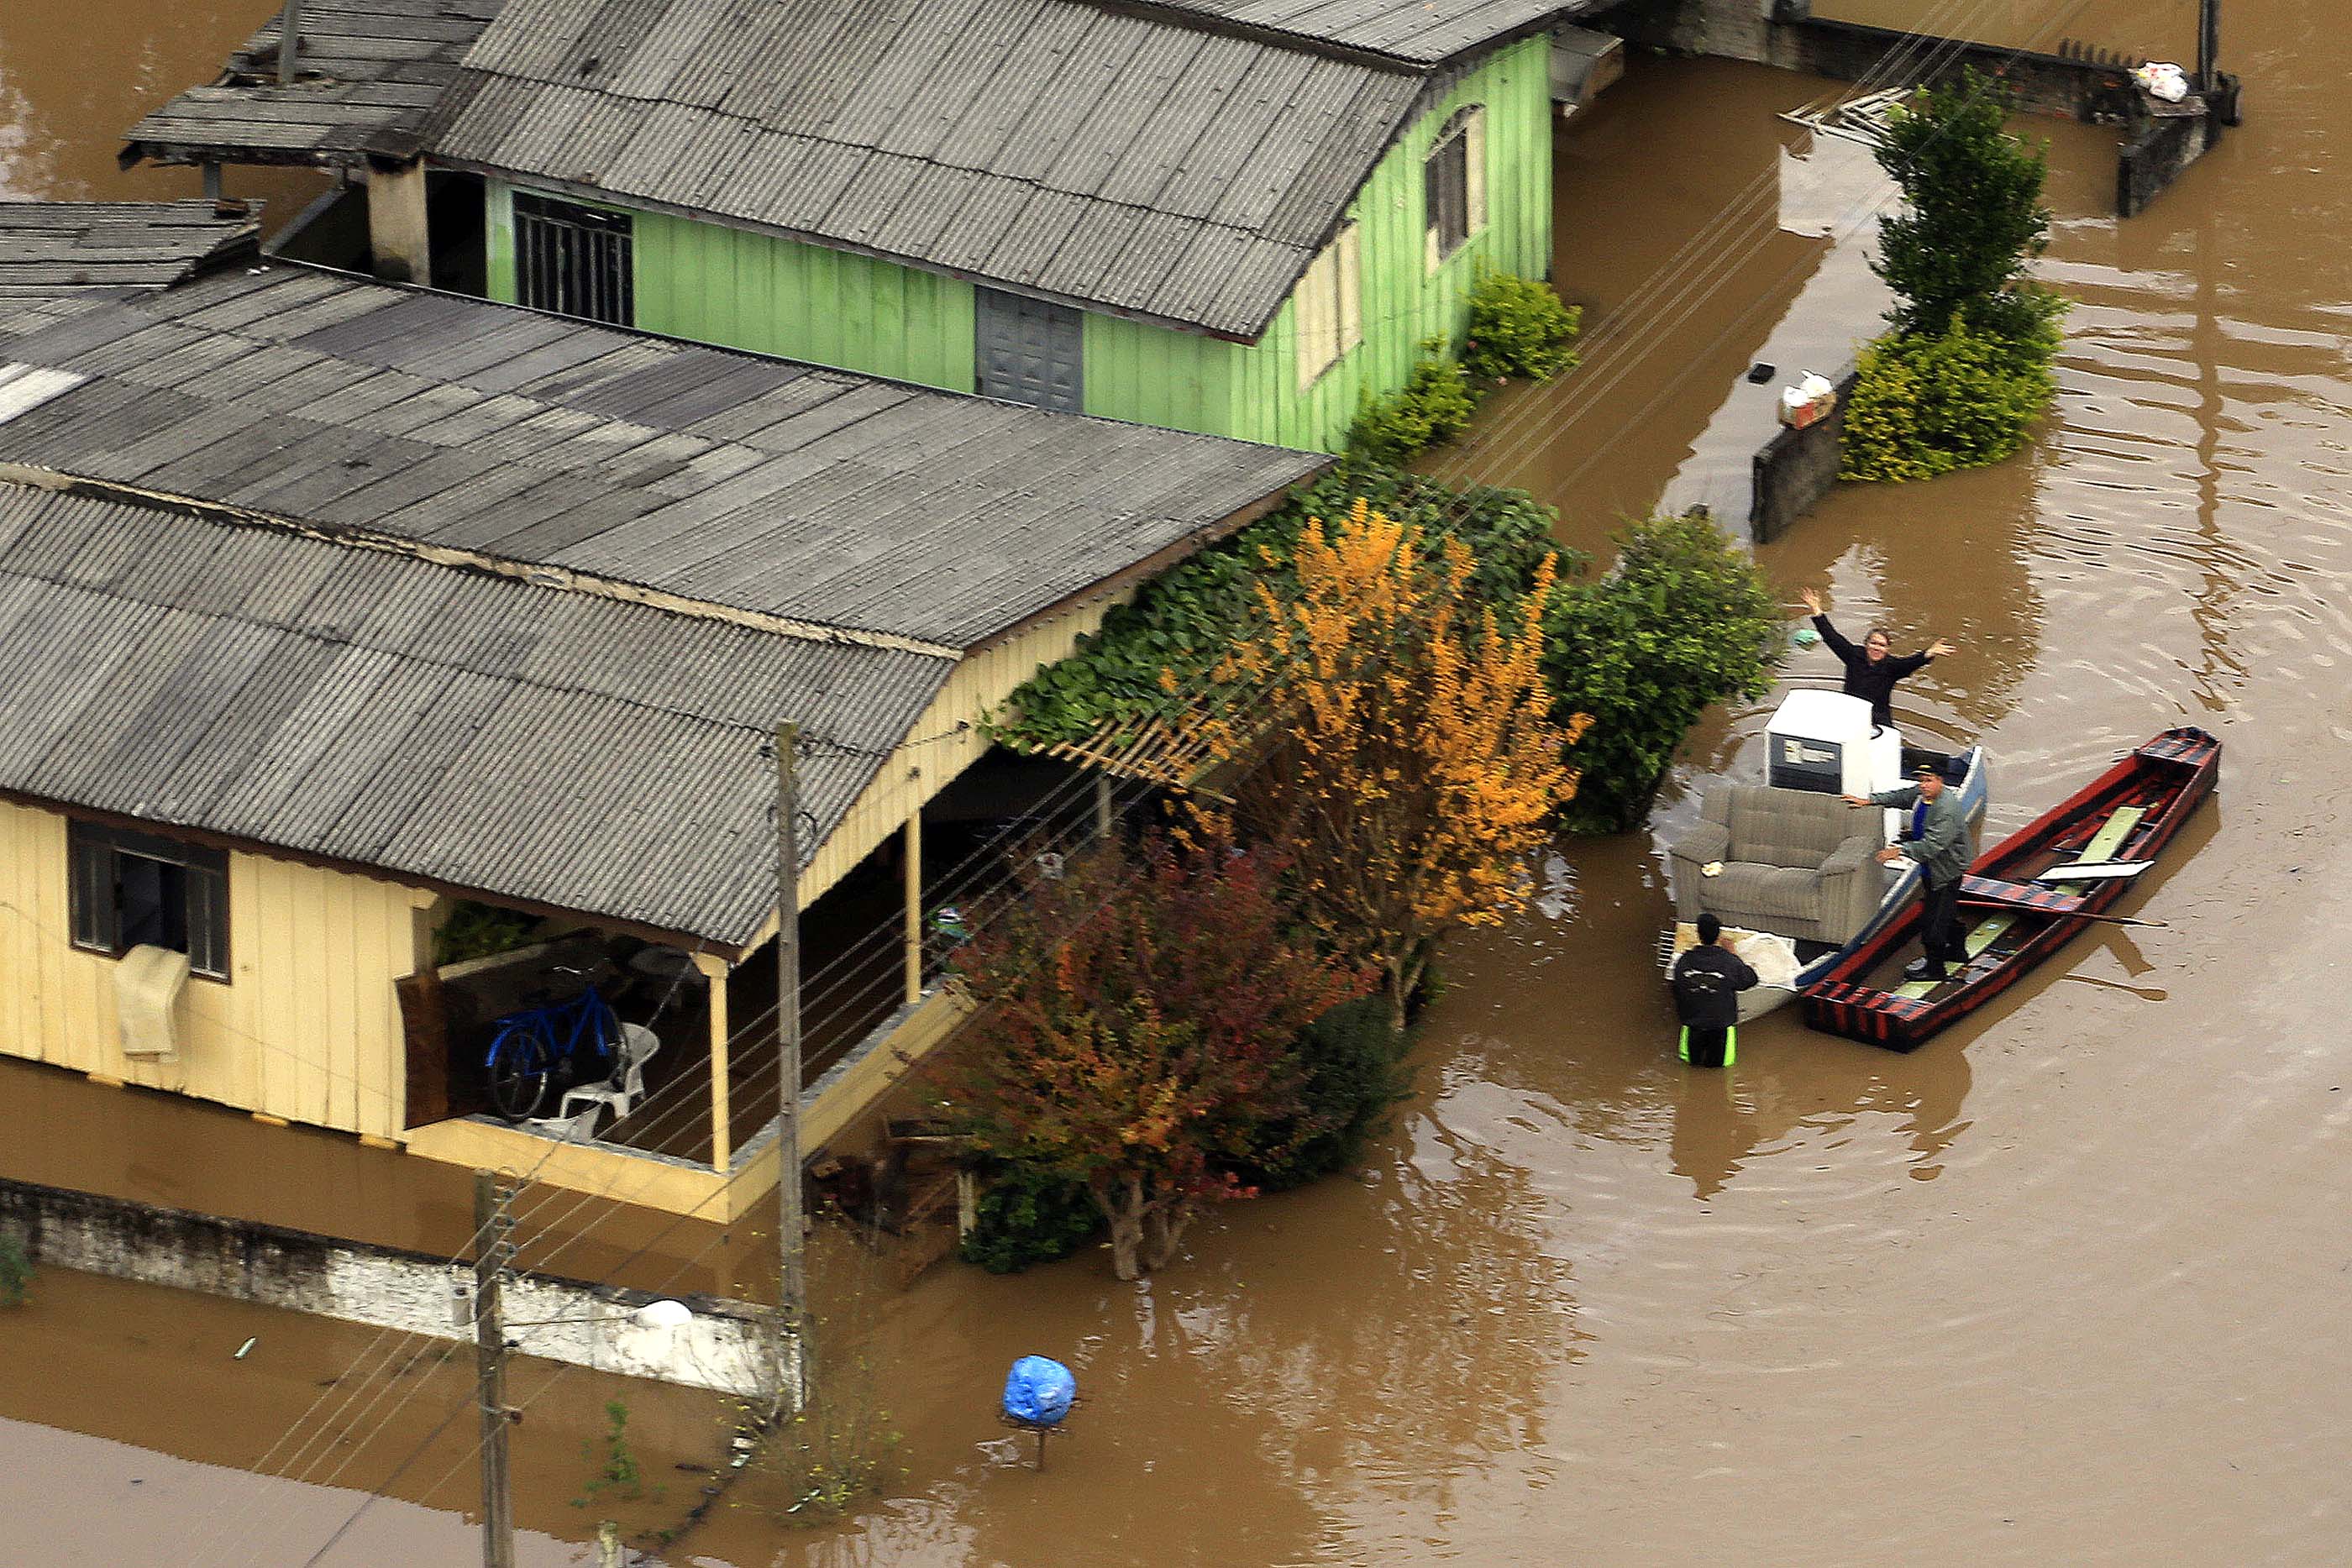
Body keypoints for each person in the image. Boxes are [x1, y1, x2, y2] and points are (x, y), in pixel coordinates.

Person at [1845, 762, 1972, 983]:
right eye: (1921, 780)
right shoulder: (1922, 795)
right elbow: (1901, 797)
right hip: (1930, 868)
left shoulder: (1946, 810)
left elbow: (1932, 846)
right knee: (1946, 913)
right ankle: (1958, 952)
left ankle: (1935, 969)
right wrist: (1870, 800)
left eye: (1929, 780)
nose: (1923, 785)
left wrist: (1900, 850)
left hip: (1945, 871)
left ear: (1940, 781)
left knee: (1933, 923)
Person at [1800, 587, 1955, 730]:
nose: (1876, 648)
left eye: (1881, 645)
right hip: (1851, 715)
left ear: (1887, 649)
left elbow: (1910, 663)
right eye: (1873, 643)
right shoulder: (1853, 655)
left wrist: (1929, 653)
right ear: (1866, 644)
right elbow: (1832, 637)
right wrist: (1817, 610)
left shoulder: (1891, 667)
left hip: (1879, 720)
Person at [1669, 913, 1758, 1068]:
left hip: (1692, 1028)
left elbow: (1676, 988)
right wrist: (1733, 954)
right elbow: (1750, 979)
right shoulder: (1729, 962)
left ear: (1698, 934)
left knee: (1688, 1070)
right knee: (1721, 1073)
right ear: (1718, 936)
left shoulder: (1684, 961)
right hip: (1721, 1028)